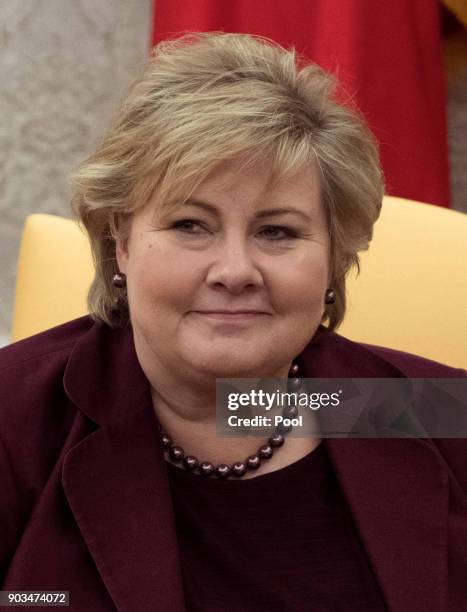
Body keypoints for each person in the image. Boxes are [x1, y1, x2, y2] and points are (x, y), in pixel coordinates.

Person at [0, 32, 466, 612]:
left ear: (335, 257)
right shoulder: (12, 415)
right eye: (190, 225)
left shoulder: (437, 410)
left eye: (277, 232)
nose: (234, 271)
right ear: (121, 241)